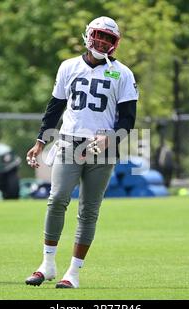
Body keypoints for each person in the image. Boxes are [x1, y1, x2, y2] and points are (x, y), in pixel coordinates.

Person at [24, 16, 138, 288]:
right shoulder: (69, 67)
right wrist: (41, 141)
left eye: (108, 39)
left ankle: (72, 273)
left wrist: (110, 138)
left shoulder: (122, 73)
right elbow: (55, 108)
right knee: (57, 199)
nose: (102, 42)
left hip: (103, 149)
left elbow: (128, 119)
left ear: (115, 43)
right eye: (98, 35)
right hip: (69, 142)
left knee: (89, 211)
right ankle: (47, 264)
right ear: (87, 35)